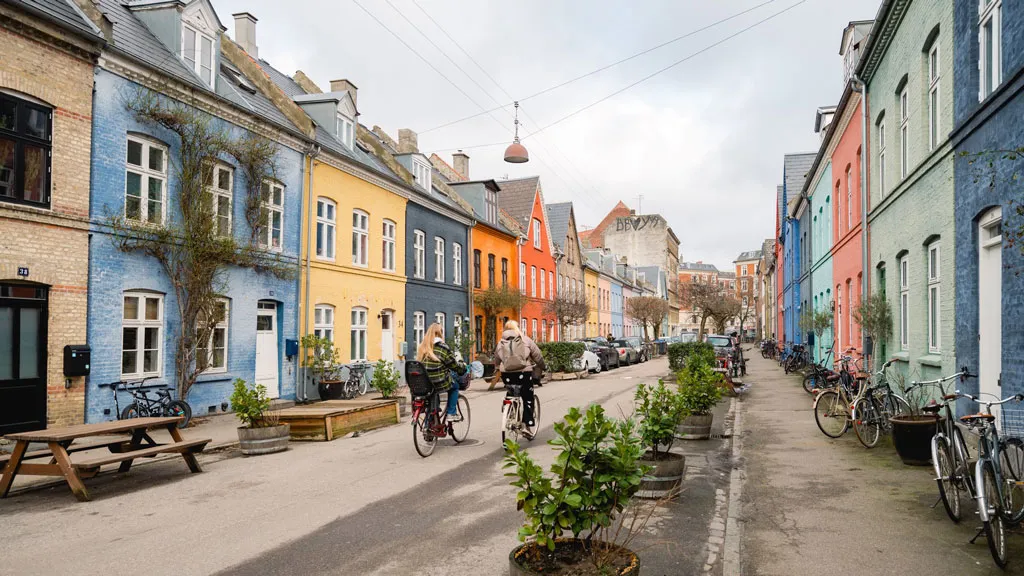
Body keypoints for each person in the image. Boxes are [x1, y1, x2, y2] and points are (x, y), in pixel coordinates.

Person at [495, 320, 544, 427]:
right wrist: (542, 366)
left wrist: (497, 367)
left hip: (507, 374)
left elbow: (497, 359)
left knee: (511, 391)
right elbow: (537, 355)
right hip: (524, 373)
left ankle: (509, 412)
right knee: (527, 397)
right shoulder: (526, 340)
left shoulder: (501, 342)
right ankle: (527, 423)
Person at [417, 323, 466, 422]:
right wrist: (462, 368)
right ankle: (451, 413)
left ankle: (429, 422)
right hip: (439, 381)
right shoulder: (442, 347)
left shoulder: (422, 347)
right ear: (441, 333)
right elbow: (453, 365)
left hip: (425, 383)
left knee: (433, 393)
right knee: (455, 387)